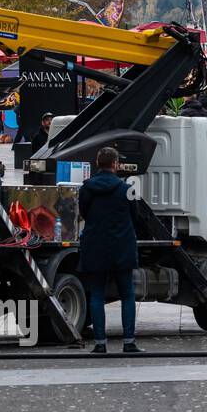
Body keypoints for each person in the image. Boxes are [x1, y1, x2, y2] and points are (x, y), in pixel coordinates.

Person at [78, 146, 140, 354]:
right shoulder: (127, 188)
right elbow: (135, 216)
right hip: (121, 246)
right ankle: (129, 342)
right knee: (127, 294)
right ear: (115, 164)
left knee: (96, 295)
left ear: (98, 163)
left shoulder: (86, 188)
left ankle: (100, 342)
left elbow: (84, 212)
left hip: (95, 245)